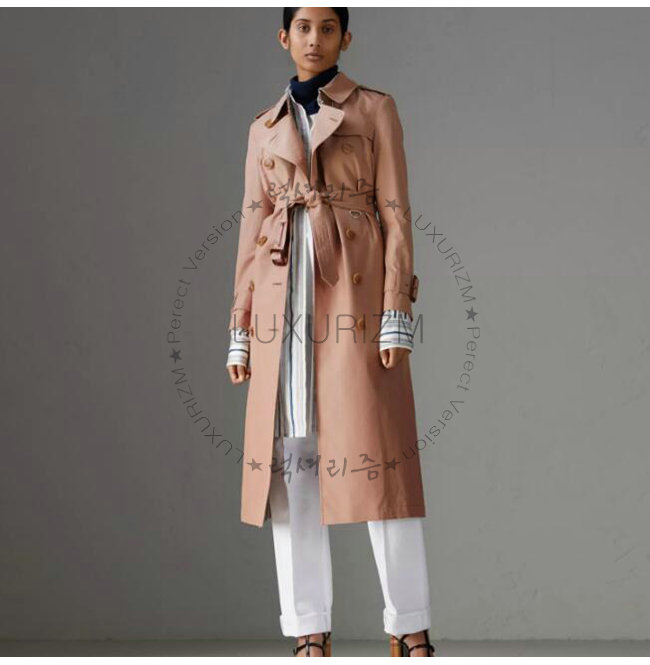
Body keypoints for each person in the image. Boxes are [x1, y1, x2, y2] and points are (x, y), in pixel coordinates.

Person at [226, 7, 434, 657]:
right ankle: (308, 629)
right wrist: (239, 327)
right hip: (280, 301)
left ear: (346, 37)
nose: (314, 39)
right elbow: (250, 229)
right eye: (302, 27)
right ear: (283, 37)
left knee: (381, 465)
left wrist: (395, 312)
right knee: (293, 468)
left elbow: (397, 215)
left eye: (327, 27)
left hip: (355, 296)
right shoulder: (262, 129)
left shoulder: (375, 110)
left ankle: (409, 624)